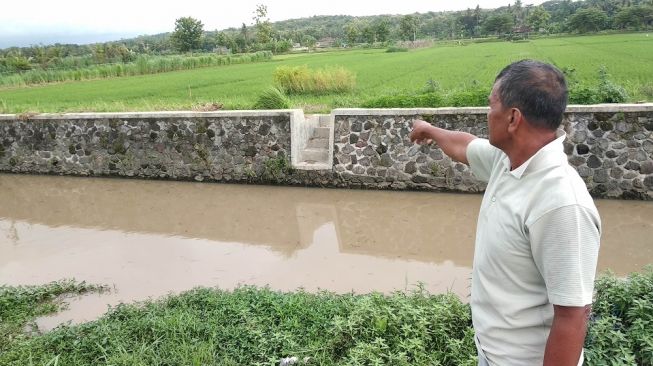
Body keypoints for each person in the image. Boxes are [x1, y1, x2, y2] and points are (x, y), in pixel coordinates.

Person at [409, 60, 601, 366]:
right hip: (490, 353)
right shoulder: (508, 160)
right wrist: (428, 129)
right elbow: (465, 146)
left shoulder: (562, 204)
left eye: (491, 105)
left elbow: (572, 317)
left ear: (513, 118)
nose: (487, 114)